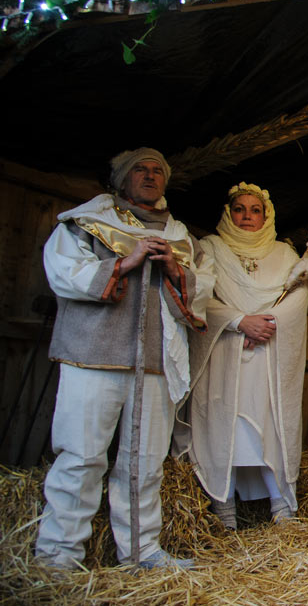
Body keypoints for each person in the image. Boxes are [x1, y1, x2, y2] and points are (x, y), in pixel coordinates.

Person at [36, 147, 213, 569]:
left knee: (145, 462)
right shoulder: (87, 223)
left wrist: (175, 270)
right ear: (120, 178)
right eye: (140, 170)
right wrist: (124, 262)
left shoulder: (182, 237)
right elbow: (62, 270)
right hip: (93, 355)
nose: (150, 176)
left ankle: (141, 551)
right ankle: (58, 557)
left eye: (157, 171)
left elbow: (205, 288)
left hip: (154, 361)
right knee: (81, 457)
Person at [175, 183, 308, 529]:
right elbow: (199, 295)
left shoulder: (286, 254)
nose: (247, 216)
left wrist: (266, 324)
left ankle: (282, 509)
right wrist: (239, 322)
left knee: (271, 424)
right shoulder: (210, 249)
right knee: (223, 427)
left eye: (255, 210)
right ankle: (224, 513)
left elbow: (297, 298)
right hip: (224, 353)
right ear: (227, 213)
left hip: (269, 356)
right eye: (240, 209)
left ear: (267, 216)